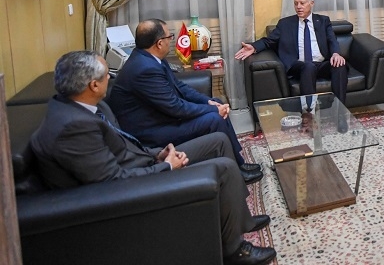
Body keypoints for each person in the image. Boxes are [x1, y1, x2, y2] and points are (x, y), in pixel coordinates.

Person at [30, 51, 276, 265]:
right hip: (137, 187)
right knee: (224, 168)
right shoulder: (73, 128)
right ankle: (234, 251)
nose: (110, 79)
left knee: (219, 141)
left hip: (147, 160)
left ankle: (241, 219)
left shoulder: (83, 107)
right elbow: (112, 182)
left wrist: (158, 153)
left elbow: (124, 145)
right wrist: (167, 166)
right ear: (93, 85)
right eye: (106, 76)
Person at [109, 19, 263, 183]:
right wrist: (213, 110)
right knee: (214, 118)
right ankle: (236, 173)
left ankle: (238, 161)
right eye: (169, 36)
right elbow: (175, 107)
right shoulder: (144, 69)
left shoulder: (150, 58)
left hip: (159, 117)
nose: (171, 40)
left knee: (216, 101)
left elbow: (180, 87)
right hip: (151, 131)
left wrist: (208, 102)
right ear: (159, 43)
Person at [235, 0, 348, 103]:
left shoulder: (323, 21)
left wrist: (336, 54)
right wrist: (254, 47)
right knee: (309, 66)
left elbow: (332, 39)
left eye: (302, 3)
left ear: (311, 3)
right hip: (299, 66)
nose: (298, 7)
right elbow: (269, 41)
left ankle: (340, 109)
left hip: (321, 64)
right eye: (296, 3)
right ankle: (309, 110)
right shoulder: (285, 24)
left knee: (340, 65)